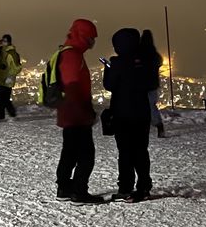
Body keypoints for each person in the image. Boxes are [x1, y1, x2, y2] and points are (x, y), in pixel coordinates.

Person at [104, 28, 159, 203]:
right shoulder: (146, 61)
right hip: (142, 112)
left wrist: (108, 68)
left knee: (126, 151)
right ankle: (144, 187)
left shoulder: (117, 63)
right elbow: (152, 84)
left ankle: (126, 187)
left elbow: (109, 85)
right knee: (141, 151)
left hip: (122, 113)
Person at [54, 19, 104, 205]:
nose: (93, 41)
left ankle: (64, 189)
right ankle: (79, 192)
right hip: (76, 113)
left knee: (69, 152)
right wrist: (86, 112)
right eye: (91, 37)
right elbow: (73, 86)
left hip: (69, 112)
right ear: (83, 36)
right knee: (86, 154)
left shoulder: (67, 52)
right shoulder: (73, 56)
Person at [0, 34, 22, 121]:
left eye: (5, 41)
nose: (4, 42)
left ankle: (12, 114)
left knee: (5, 98)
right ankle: (1, 115)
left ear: (9, 42)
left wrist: (11, 76)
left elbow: (17, 67)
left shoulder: (12, 53)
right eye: (3, 41)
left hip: (7, 79)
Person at [139, 29, 165, 138]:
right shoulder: (154, 54)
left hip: (141, 85)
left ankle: (142, 126)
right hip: (152, 85)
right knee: (151, 106)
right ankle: (159, 126)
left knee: (140, 106)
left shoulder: (139, 53)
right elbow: (159, 62)